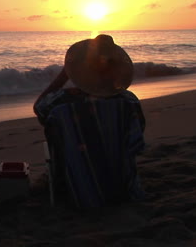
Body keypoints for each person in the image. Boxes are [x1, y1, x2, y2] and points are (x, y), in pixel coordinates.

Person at [34, 34, 146, 208]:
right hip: (125, 189)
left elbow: (39, 107)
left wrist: (64, 76)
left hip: (80, 193)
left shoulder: (62, 103)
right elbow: (138, 136)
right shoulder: (129, 102)